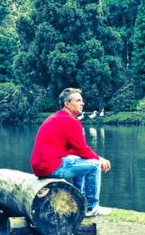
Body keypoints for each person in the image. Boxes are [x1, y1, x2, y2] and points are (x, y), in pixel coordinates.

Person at [30, 88, 112, 217]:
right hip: (50, 167)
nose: (82, 103)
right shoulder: (70, 121)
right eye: (78, 100)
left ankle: (79, 202)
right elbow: (82, 150)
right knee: (94, 165)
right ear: (67, 104)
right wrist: (99, 160)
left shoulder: (58, 118)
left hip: (41, 166)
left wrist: (97, 157)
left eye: (82, 100)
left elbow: (75, 150)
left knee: (83, 161)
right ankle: (91, 207)